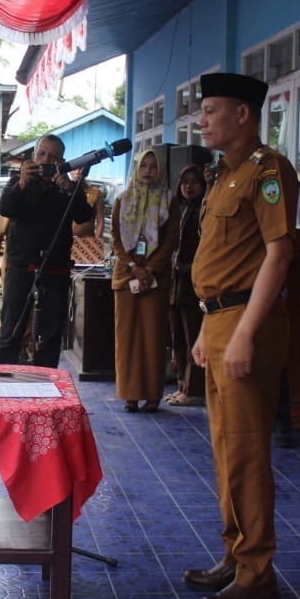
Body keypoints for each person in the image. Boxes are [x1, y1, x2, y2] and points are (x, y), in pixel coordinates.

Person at [182, 72, 298, 599]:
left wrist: (245, 332)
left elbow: (278, 255)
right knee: (226, 449)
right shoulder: (221, 176)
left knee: (248, 451)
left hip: (248, 322)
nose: (201, 120)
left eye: (210, 110)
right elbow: (222, 265)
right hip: (221, 320)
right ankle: (235, 553)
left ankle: (257, 574)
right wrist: (208, 326)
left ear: (243, 115)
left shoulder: (268, 171)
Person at [0, 134, 92, 368]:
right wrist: (22, 184)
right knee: (11, 330)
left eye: (54, 156)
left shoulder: (67, 187)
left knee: (50, 334)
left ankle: (44, 390)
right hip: (20, 267)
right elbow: (5, 208)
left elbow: (85, 217)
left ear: (62, 161)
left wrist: (69, 187)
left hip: (55, 269)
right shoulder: (18, 181)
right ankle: (0, 388)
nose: (46, 159)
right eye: (42, 153)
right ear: (33, 156)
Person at [110, 148, 177, 412]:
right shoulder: (123, 199)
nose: (148, 171)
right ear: (136, 169)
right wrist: (132, 266)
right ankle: (129, 394)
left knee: (152, 337)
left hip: (154, 279)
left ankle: (152, 395)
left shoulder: (168, 200)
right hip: (126, 277)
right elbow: (115, 237)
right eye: (144, 166)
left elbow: (172, 237)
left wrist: (150, 268)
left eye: (153, 166)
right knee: (127, 337)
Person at [165, 164, 208, 407]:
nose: (188, 187)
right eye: (184, 182)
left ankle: (193, 390)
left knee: (193, 335)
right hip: (176, 281)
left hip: (193, 281)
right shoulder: (181, 209)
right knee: (177, 337)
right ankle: (181, 384)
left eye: (194, 182)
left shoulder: (203, 209)